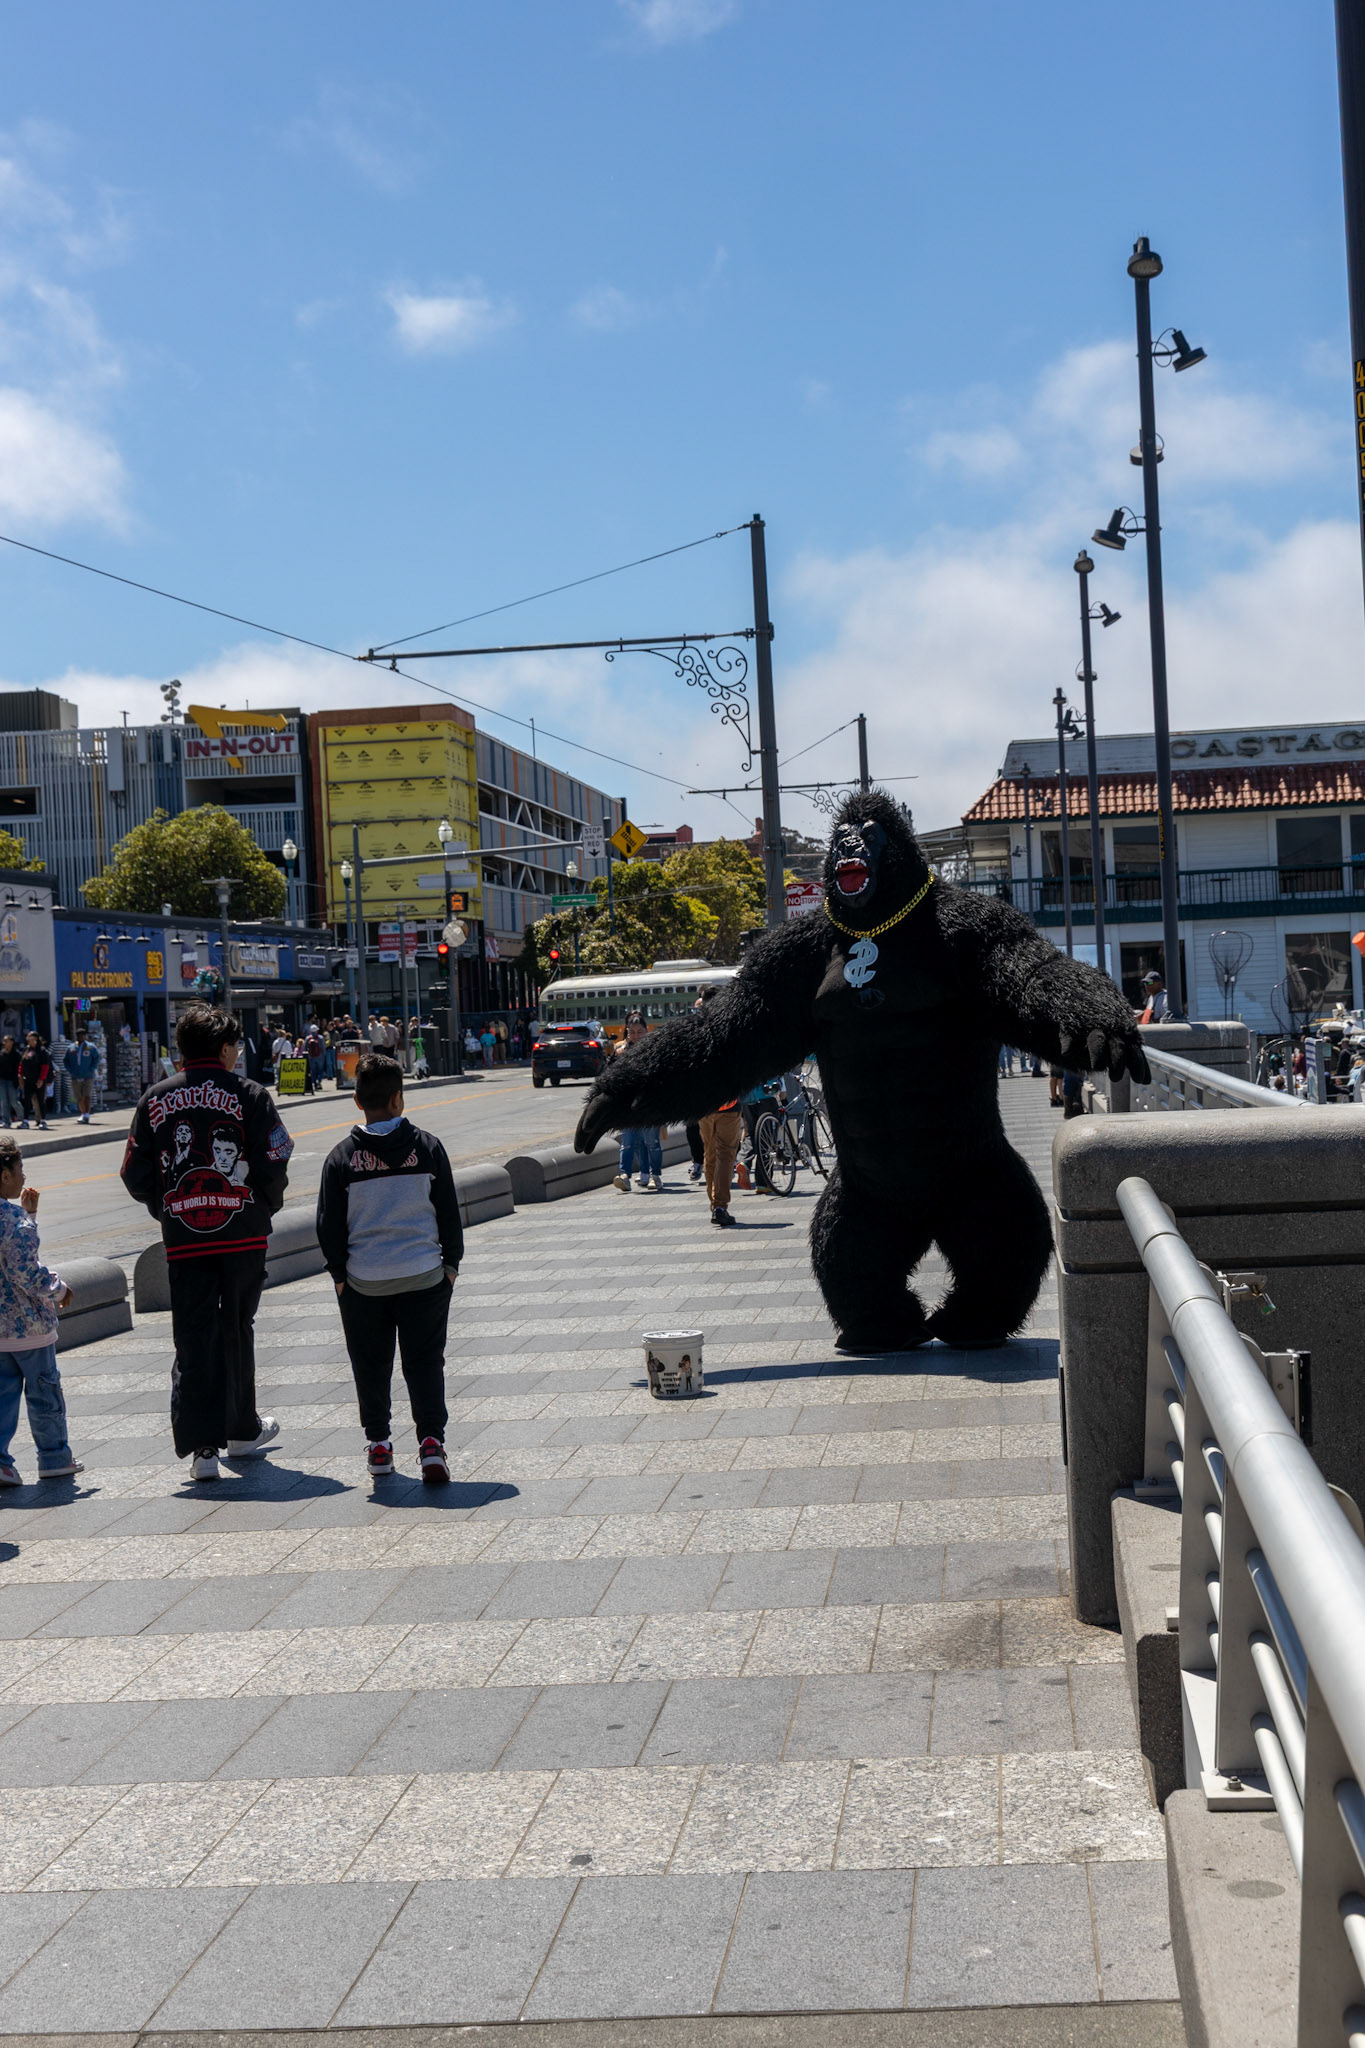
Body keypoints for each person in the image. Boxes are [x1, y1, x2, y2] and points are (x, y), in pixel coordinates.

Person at [121, 1003, 292, 1483]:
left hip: (185, 1238)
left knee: (194, 1334)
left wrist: (168, 1208)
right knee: (237, 1326)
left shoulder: (155, 1099)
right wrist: (264, 1205)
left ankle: (202, 1450)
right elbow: (276, 1156)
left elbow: (134, 1172)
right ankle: (241, 1429)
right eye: (235, 1045)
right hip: (242, 1235)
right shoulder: (251, 1095)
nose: (237, 1053)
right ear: (223, 1048)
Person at [315, 1050, 463, 1483]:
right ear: (399, 1100)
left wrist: (340, 1276)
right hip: (423, 1275)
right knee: (424, 1362)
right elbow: (448, 1213)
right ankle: (431, 1444)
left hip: (363, 1282)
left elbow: (328, 1226)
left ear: (357, 1101)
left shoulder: (341, 1159)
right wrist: (450, 1266)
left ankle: (379, 1446)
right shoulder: (428, 1149)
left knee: (370, 1363)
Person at [0, 1137, 80, 1484]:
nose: (22, 1177)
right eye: (19, 1170)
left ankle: (1, 1462)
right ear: (5, 1175)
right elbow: (25, 1270)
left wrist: (28, 1213)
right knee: (44, 1394)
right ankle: (54, 1458)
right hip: (29, 1327)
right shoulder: (14, 1219)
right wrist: (59, 1288)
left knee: (2, 1400)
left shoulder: (17, 1217)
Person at [612, 1015, 662, 1191]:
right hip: (628, 1106)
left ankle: (655, 1175)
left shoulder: (654, 1050)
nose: (636, 1035)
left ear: (646, 1031)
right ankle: (625, 1176)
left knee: (652, 1143)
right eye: (632, 1032)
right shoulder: (620, 1051)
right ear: (627, 1032)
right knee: (627, 1142)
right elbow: (610, 1075)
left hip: (648, 1105)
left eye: (640, 1031)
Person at [64, 1032, 100, 1123]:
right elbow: (66, 1060)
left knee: (87, 1095)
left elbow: (96, 1058)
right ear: (77, 1036)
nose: (82, 1037)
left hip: (88, 1076)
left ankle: (87, 1114)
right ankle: (83, 1113)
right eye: (80, 1035)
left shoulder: (91, 1047)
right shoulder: (71, 1048)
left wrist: (92, 1069)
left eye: (84, 1035)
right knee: (79, 1097)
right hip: (75, 1076)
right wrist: (71, 1071)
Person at [19, 1033, 51, 1130]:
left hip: (38, 1079)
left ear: (36, 1039)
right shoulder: (27, 1050)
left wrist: (41, 1079)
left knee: (41, 1100)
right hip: (28, 1080)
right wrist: (20, 1075)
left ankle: (43, 1121)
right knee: (27, 1100)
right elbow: (21, 1064)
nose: (28, 1040)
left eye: (31, 1038)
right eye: (28, 1038)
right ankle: (25, 1121)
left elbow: (45, 1067)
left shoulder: (42, 1051)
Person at [0, 1034, 21, 1128]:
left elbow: (20, 1068)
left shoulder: (16, 1054)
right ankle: (6, 1121)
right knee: (4, 1102)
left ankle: (23, 1118)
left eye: (7, 1041)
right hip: (2, 1080)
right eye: (4, 1041)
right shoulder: (2, 1053)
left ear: (12, 1042)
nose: (5, 1043)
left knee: (14, 1102)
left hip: (12, 1081)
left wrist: (19, 1080)